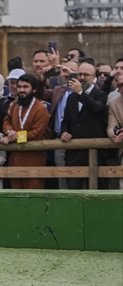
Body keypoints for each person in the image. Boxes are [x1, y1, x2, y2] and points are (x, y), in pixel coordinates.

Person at [58, 61, 108, 190]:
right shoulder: (71, 98)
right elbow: (66, 120)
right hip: (74, 154)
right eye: (79, 74)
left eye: (86, 74)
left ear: (94, 77)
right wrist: (64, 131)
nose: (82, 77)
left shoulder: (101, 95)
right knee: (74, 192)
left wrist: (81, 93)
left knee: (96, 194)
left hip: (95, 154)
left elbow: (97, 108)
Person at [1, 73, 50, 190]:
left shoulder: (41, 109)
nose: (21, 90)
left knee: (34, 196)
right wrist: (9, 131)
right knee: (16, 197)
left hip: (34, 160)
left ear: (34, 89)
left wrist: (15, 136)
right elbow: (6, 121)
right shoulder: (15, 105)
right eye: (19, 87)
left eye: (25, 87)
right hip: (15, 159)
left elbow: (36, 133)